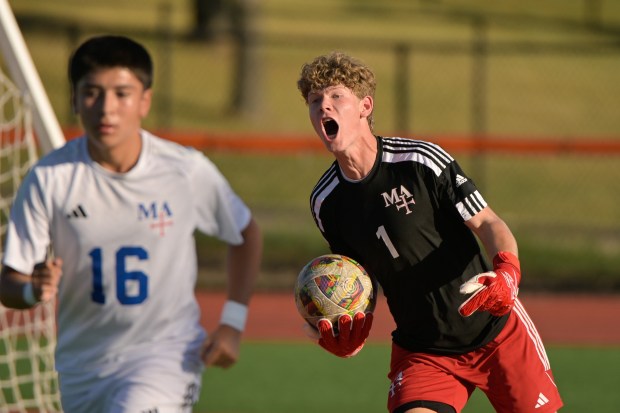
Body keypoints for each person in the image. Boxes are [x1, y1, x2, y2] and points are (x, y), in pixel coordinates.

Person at [0, 35, 262, 413]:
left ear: (144, 101)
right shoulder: (49, 178)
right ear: (73, 99)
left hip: (166, 356)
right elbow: (11, 280)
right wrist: (33, 290)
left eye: (122, 93)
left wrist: (233, 323)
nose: (107, 108)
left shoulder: (183, 170)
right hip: (82, 368)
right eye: (91, 92)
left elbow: (245, 233)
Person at [296, 51, 563, 413]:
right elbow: (358, 281)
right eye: (315, 101)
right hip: (424, 351)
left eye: (335, 96)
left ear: (365, 106)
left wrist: (508, 274)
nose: (323, 107)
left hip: (497, 334)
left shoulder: (420, 162)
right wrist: (348, 332)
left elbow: (488, 222)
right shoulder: (325, 201)